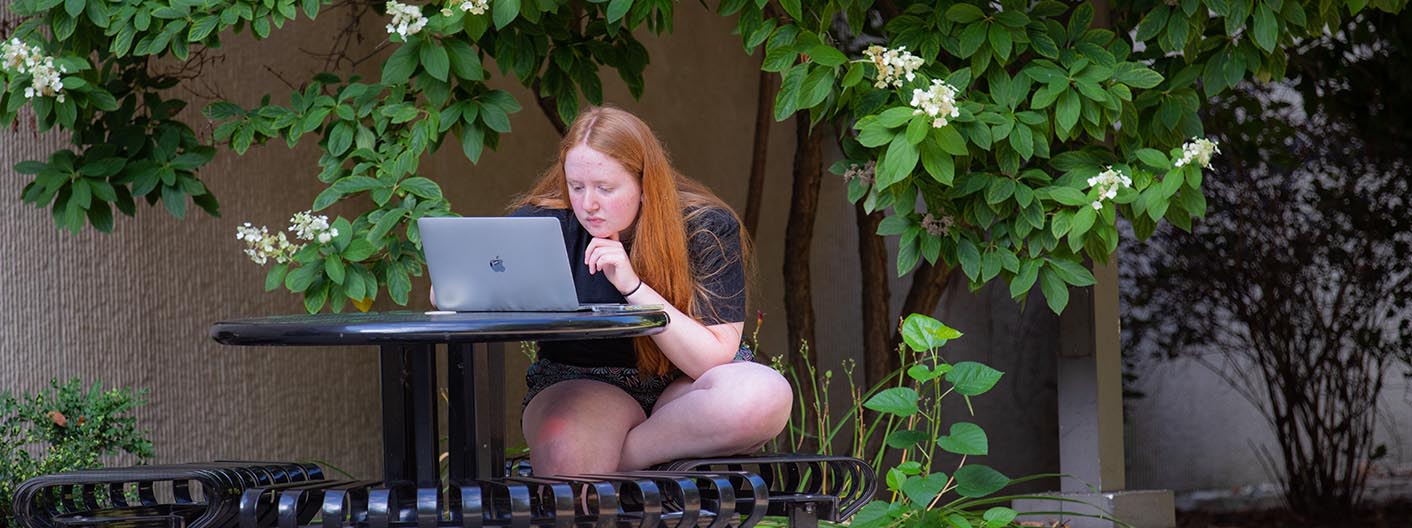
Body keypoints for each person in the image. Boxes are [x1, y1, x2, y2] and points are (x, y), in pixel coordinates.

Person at [509, 105, 793, 476]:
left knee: (763, 395)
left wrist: (632, 286)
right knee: (566, 451)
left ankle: (620, 461)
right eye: (576, 187)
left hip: (684, 389)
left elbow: (711, 360)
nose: (588, 203)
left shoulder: (704, 228)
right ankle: (611, 464)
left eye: (605, 188)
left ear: (646, 185)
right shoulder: (547, 227)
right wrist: (457, 289)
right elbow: (460, 289)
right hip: (582, 384)